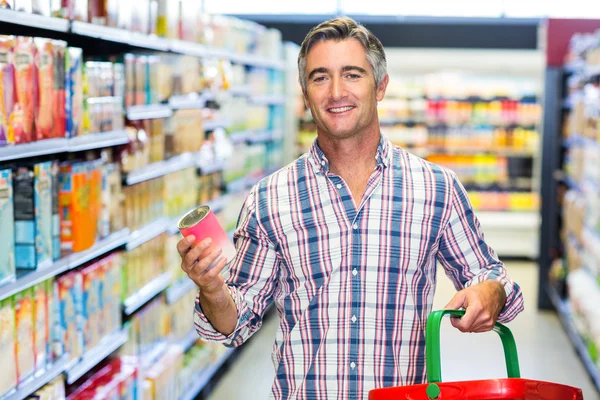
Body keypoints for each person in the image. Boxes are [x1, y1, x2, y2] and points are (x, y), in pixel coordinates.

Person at [177, 17, 524, 399]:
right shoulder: (269, 199)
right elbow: (235, 323)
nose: (336, 92)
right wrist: (211, 287)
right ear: (305, 94)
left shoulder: (436, 189)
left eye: (353, 75)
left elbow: (490, 276)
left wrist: (492, 293)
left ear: (381, 86)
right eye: (320, 77)